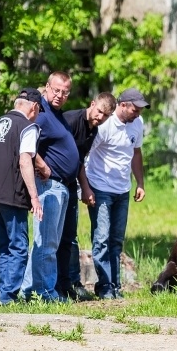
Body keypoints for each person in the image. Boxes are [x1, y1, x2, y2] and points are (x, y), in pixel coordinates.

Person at [0, 89, 43, 305]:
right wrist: (34, 196)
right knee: (19, 246)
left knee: (4, 245)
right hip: (11, 194)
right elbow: (25, 161)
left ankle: (2, 291)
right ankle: (8, 297)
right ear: (34, 107)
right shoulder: (28, 127)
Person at [81, 88, 147, 300]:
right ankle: (104, 286)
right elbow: (86, 154)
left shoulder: (137, 124)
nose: (138, 114)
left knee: (116, 240)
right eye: (135, 109)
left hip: (122, 190)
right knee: (101, 238)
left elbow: (136, 153)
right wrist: (86, 187)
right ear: (123, 105)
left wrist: (140, 182)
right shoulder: (105, 125)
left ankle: (115, 286)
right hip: (100, 187)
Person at [21, 72, 79, 302]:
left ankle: (27, 290)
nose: (60, 95)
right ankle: (46, 292)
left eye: (65, 92)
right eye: (56, 90)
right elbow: (24, 141)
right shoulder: (42, 114)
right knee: (47, 243)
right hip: (49, 186)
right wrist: (42, 165)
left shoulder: (56, 115)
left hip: (61, 187)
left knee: (44, 243)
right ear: (47, 87)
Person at [57, 92, 117, 301]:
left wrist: (86, 188)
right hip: (55, 182)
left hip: (72, 184)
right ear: (92, 104)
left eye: (106, 116)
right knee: (54, 238)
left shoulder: (94, 130)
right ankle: (55, 285)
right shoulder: (71, 120)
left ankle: (71, 283)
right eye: (99, 111)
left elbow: (79, 160)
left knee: (70, 236)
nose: (100, 117)